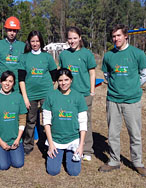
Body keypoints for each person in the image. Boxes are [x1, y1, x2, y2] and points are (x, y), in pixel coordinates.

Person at [99, 24, 146, 177]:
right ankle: (114, 161)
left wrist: (132, 87)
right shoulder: (109, 55)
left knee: (135, 133)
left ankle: (137, 162)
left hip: (132, 101)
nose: (116, 39)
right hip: (113, 100)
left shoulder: (137, 53)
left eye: (119, 35)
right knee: (113, 133)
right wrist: (116, 87)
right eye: (114, 36)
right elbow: (107, 75)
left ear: (125, 36)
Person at [59, 26, 96, 161]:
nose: (72, 41)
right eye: (70, 38)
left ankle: (87, 150)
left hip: (84, 94)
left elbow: (92, 73)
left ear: (80, 38)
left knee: (85, 122)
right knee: (69, 120)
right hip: (68, 93)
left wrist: (92, 91)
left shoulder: (87, 54)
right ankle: (71, 146)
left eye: (75, 38)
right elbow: (61, 74)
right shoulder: (63, 54)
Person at [42, 68, 88, 176]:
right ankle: (58, 153)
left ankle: (68, 153)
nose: (63, 83)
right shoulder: (51, 96)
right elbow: (46, 122)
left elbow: (83, 123)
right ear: (57, 81)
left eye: (66, 80)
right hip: (56, 140)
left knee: (74, 172)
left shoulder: (78, 97)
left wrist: (81, 146)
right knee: (53, 171)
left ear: (71, 80)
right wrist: (51, 144)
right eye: (61, 80)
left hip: (73, 139)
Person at [18, 30, 57, 155]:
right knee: (30, 120)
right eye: (32, 41)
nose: (35, 43)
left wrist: (49, 86)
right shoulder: (24, 57)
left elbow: (54, 74)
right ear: (29, 42)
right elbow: (21, 79)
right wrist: (25, 97)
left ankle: (49, 143)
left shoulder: (47, 57)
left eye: (37, 41)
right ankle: (28, 146)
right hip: (30, 95)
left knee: (48, 119)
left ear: (41, 41)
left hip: (46, 94)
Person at [0, 71, 27, 170]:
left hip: (14, 139)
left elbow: (22, 120)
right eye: (5, 81)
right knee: (4, 166)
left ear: (13, 83)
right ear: (0, 82)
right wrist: (1, 142)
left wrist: (17, 139)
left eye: (10, 81)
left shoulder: (18, 97)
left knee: (18, 164)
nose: (7, 84)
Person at [0, 16, 25, 92]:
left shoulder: (22, 46)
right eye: (10, 30)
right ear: (6, 30)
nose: (12, 33)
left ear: (17, 31)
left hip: (16, 87)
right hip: (1, 86)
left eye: (14, 30)